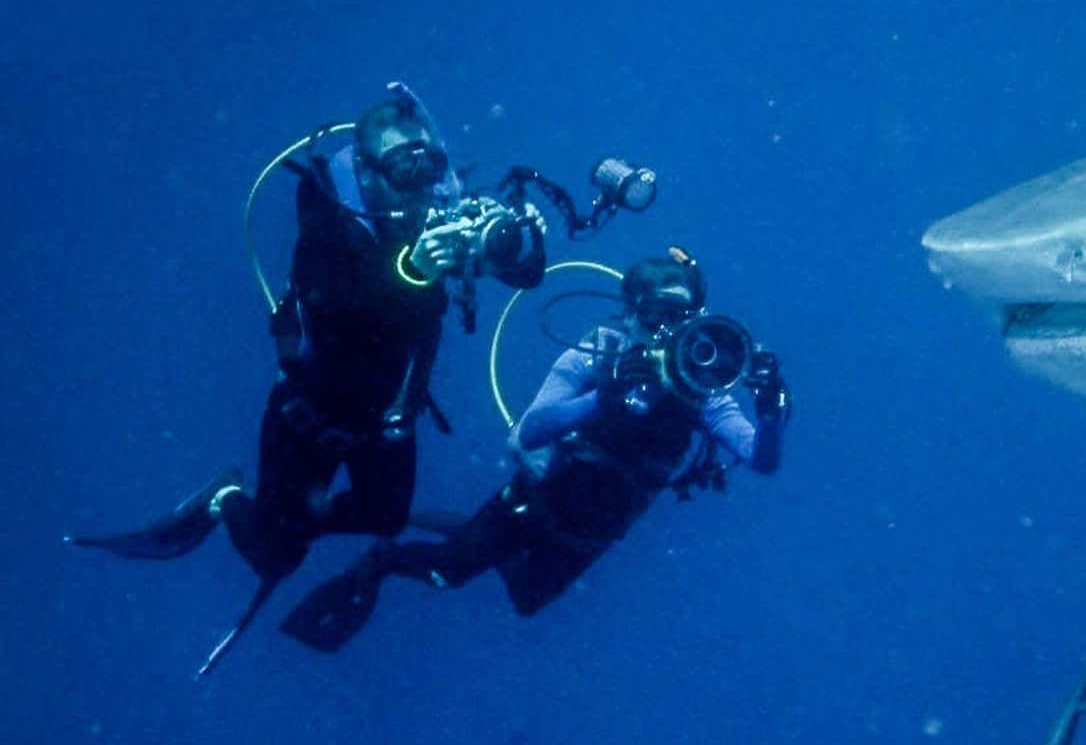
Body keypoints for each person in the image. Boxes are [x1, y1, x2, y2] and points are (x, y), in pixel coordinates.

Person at [69, 84, 548, 668]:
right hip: (311, 412)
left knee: (387, 515)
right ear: (368, 172)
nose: (420, 179)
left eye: (429, 161)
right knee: (276, 556)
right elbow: (337, 306)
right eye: (403, 164)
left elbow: (526, 274)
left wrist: (517, 239)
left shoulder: (442, 213)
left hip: (387, 417)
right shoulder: (327, 218)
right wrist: (413, 269)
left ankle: (306, 516)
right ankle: (226, 499)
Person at [279, 248, 791, 651]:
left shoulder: (704, 388)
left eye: (684, 315)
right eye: (659, 314)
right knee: (446, 573)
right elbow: (531, 430)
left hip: (599, 526)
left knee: (525, 600)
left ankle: (468, 539)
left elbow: (761, 458)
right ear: (632, 314)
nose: (671, 328)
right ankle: (385, 559)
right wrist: (603, 399)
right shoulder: (602, 352)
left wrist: (770, 411)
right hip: (541, 496)